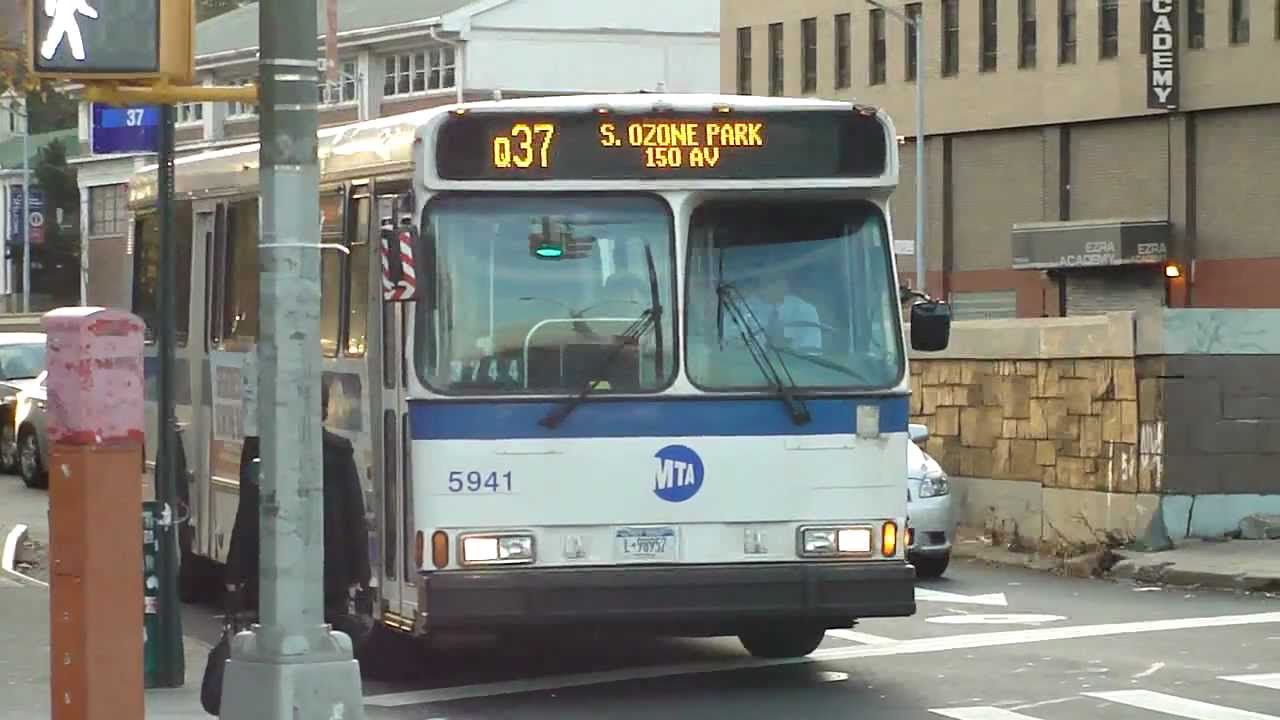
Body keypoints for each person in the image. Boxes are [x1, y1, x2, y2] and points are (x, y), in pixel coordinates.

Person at [224, 380, 372, 626]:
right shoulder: (339, 452)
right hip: (327, 582)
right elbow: (354, 520)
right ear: (323, 410)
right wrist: (361, 580)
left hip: (271, 581)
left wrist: (235, 578)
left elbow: (248, 519)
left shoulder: (261, 450)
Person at [741, 272, 824, 353]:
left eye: (775, 280)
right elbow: (732, 347)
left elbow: (810, 356)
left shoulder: (805, 311)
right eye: (768, 280)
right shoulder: (742, 307)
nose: (771, 286)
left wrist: (787, 347)